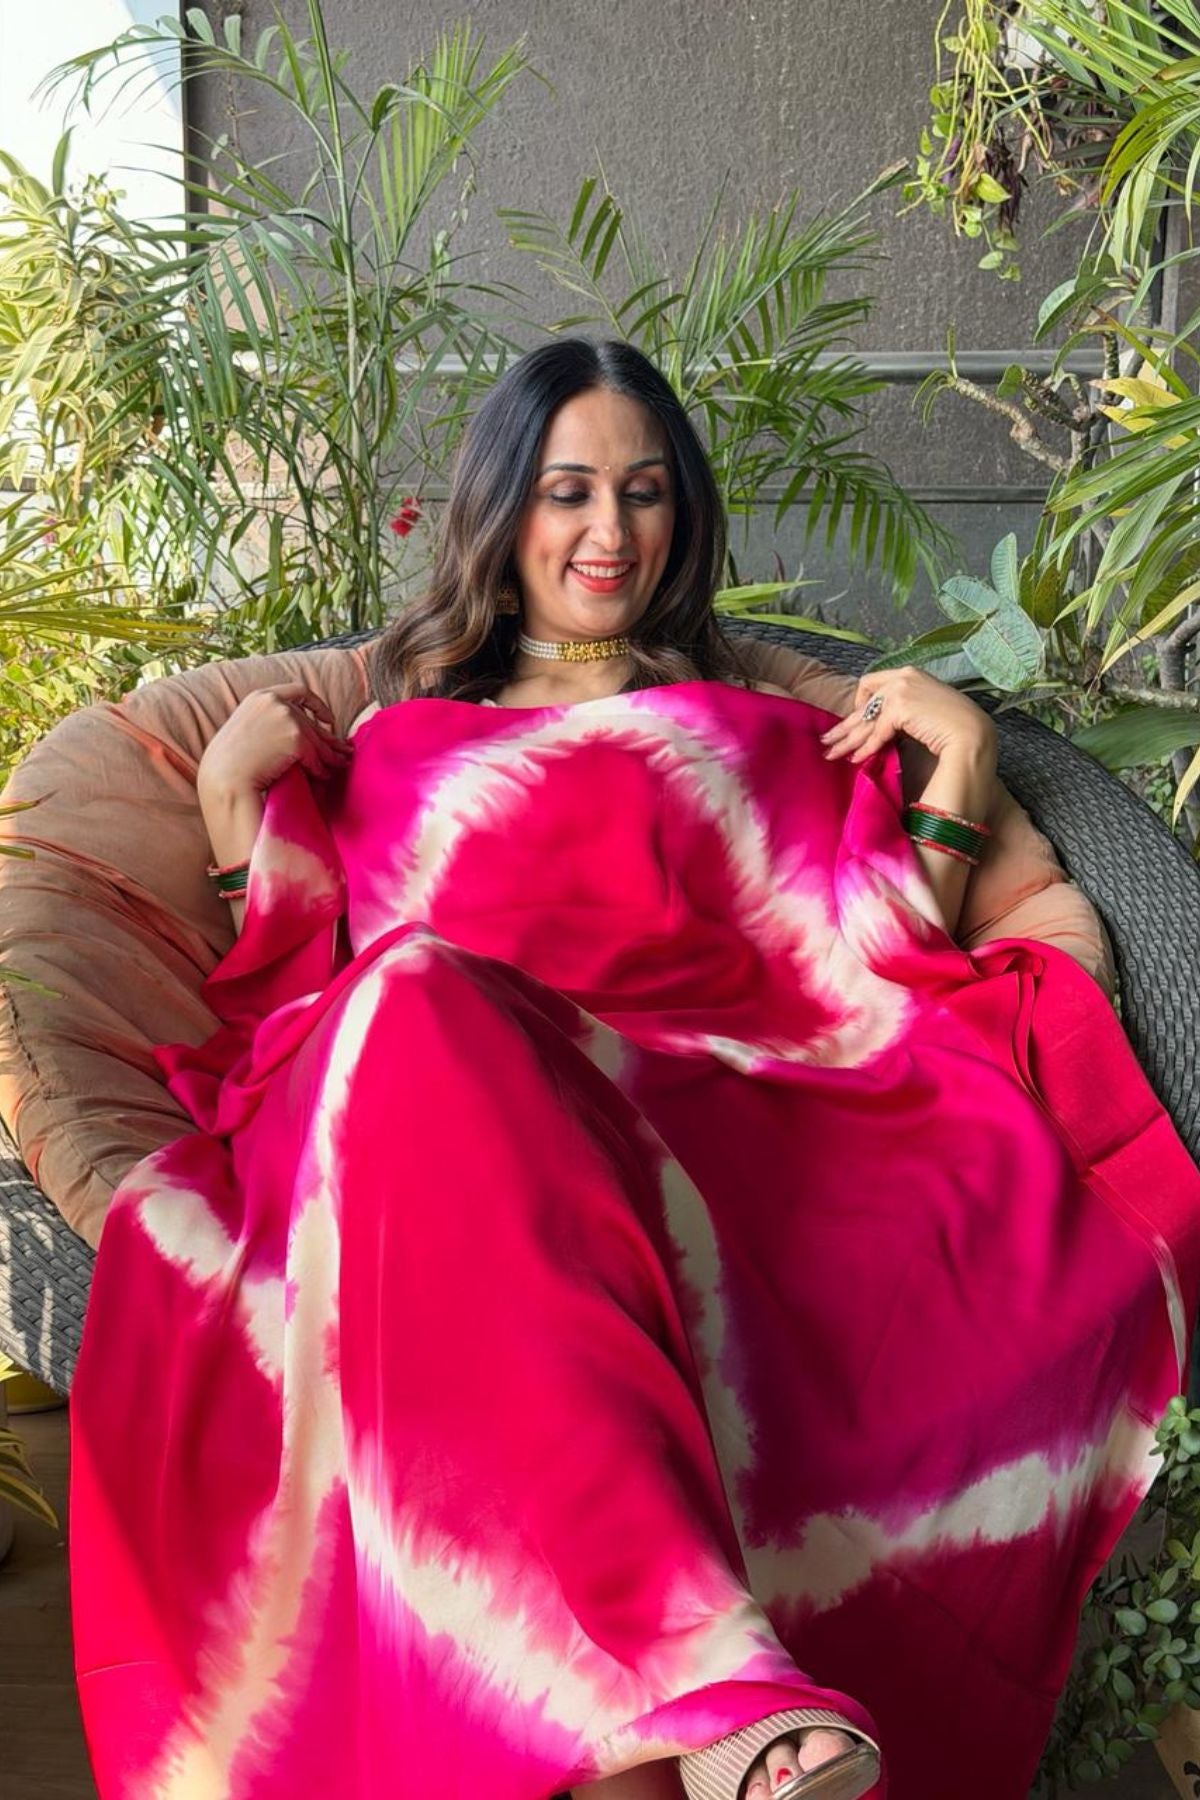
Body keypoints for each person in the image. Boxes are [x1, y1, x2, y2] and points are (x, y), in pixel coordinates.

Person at [67, 339, 1200, 1800]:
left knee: (424, 1030)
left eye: (645, 492)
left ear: (684, 514)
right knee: (408, 999)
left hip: (688, 1114)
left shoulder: (756, 728)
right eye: (569, 492)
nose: (610, 532)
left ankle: (682, 1707)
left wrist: (965, 770)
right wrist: (235, 803)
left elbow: (861, 965)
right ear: (503, 514)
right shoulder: (400, 746)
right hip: (431, 1120)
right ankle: (721, 1706)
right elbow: (302, 1012)